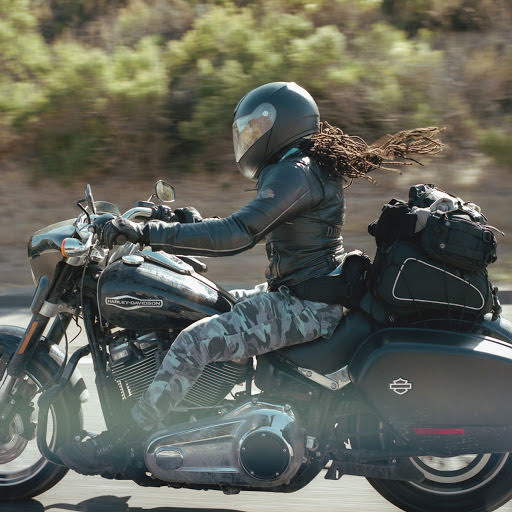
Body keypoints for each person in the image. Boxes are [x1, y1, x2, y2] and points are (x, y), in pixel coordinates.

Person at [57, 82, 444, 475]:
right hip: (300, 293)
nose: (249, 137)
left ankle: (127, 440)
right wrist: (177, 220)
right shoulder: (299, 167)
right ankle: (201, 416)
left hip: (306, 306)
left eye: (257, 128)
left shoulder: (298, 172)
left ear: (283, 124)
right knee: (202, 304)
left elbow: (238, 233)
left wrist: (147, 233)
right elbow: (253, 219)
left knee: (194, 341)